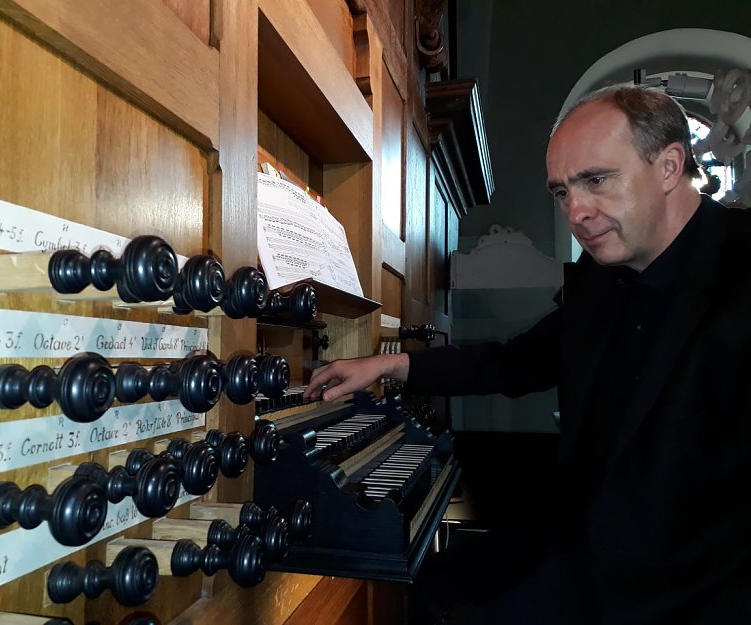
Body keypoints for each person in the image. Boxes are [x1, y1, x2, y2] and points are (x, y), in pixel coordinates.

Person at [304, 84, 751, 624]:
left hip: (690, 583)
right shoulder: (600, 279)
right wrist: (393, 364)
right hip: (582, 538)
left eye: (596, 180)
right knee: (435, 583)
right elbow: (514, 362)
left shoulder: (740, 267)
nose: (577, 211)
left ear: (668, 166)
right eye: (562, 192)